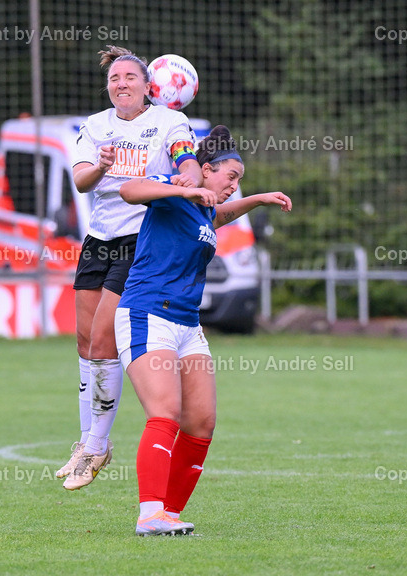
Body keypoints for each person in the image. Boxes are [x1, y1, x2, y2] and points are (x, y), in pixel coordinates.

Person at [116, 126, 292, 536]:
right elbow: (130, 191)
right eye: (231, 177)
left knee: (201, 422)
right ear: (206, 169)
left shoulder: (203, 209)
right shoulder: (176, 187)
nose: (234, 185)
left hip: (187, 324)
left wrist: (258, 199)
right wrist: (183, 189)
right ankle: (150, 513)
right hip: (147, 313)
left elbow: (220, 214)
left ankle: (169, 514)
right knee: (165, 413)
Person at [58, 45, 204, 491]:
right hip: (98, 239)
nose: (120, 84)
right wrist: (100, 166)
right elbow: (80, 181)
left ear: (148, 86)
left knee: (104, 339)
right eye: (114, 78)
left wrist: (189, 181)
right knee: (85, 343)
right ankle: (86, 441)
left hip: (142, 239)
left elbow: (188, 163)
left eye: (129, 78)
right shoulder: (95, 125)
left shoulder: (169, 122)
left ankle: (98, 446)